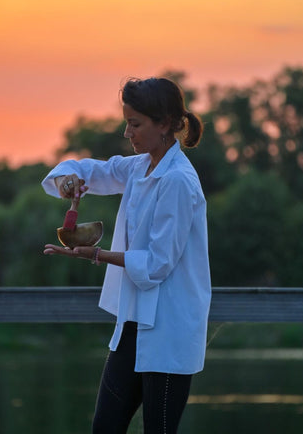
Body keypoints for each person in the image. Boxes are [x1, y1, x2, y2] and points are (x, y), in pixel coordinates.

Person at [42, 77, 211, 434]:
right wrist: (68, 180)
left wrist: (96, 254)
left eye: (135, 124)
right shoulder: (138, 168)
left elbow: (157, 264)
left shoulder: (178, 180)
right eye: (127, 122)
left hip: (169, 328)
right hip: (133, 322)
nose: (127, 132)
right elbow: (93, 171)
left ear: (164, 123)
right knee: (105, 427)